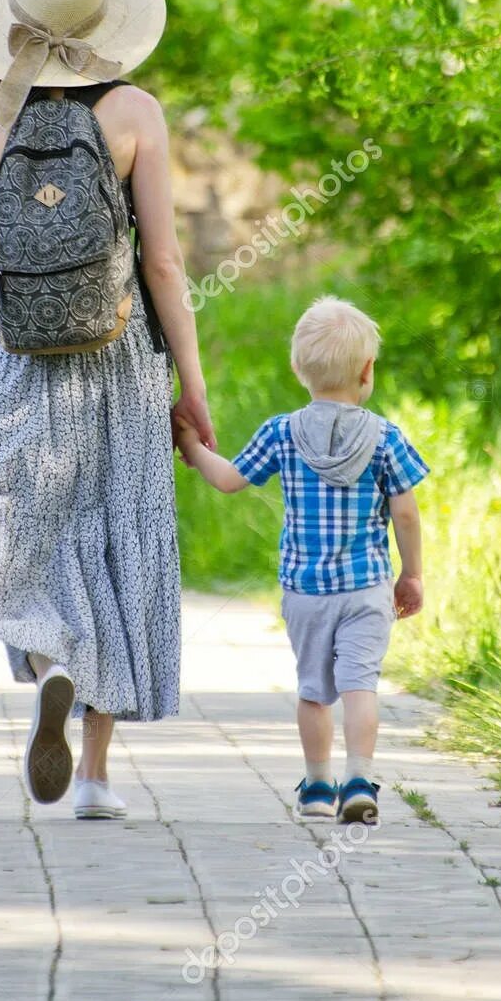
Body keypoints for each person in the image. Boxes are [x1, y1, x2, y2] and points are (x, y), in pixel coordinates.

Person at [0, 0, 215, 819]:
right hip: (118, 357)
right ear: (102, 19)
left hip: (14, 349)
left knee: (14, 528)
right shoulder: (136, 114)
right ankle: (93, 777)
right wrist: (190, 382)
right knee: (118, 535)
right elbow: (162, 264)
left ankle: (50, 662)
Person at [175, 295, 428, 826]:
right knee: (360, 684)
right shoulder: (386, 438)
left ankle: (316, 787)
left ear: (297, 368)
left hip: (305, 592)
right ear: (367, 370)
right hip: (365, 590)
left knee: (314, 691)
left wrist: (194, 448)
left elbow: (227, 480)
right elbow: (405, 514)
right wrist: (413, 574)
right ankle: (360, 779)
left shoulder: (280, 433)